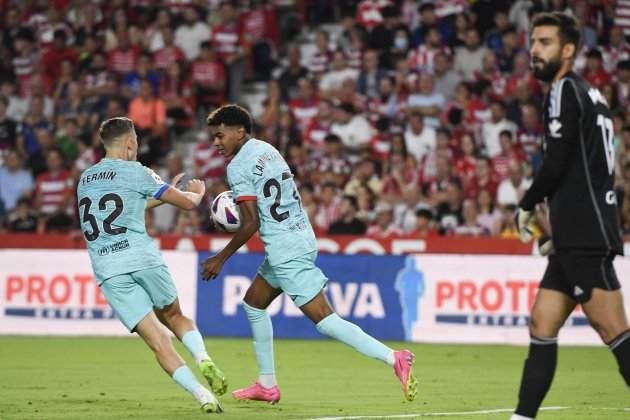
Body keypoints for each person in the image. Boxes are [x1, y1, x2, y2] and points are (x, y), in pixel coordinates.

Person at [202, 104, 418, 404]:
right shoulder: (268, 150)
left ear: (239, 132)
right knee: (253, 303)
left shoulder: (237, 166)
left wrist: (219, 258)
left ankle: (394, 357)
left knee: (325, 320)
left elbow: (250, 221)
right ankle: (266, 385)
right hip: (300, 234)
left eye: (220, 135)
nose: (216, 142)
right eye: (214, 137)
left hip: (285, 249)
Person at [511, 12, 630, 420]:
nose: (534, 50)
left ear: (567, 50)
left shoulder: (563, 90)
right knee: (542, 323)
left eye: (544, 42)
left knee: (614, 330)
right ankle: (522, 417)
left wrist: (527, 202)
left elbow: (557, 161)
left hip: (584, 232)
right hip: (581, 231)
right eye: (533, 42)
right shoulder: (592, 95)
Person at [76, 117, 227, 413]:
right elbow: (187, 204)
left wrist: (160, 193)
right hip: (142, 257)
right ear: (130, 143)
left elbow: (126, 205)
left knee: (158, 342)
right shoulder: (138, 172)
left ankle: (202, 396)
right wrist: (195, 193)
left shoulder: (86, 179)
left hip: (108, 268)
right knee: (174, 315)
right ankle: (202, 357)